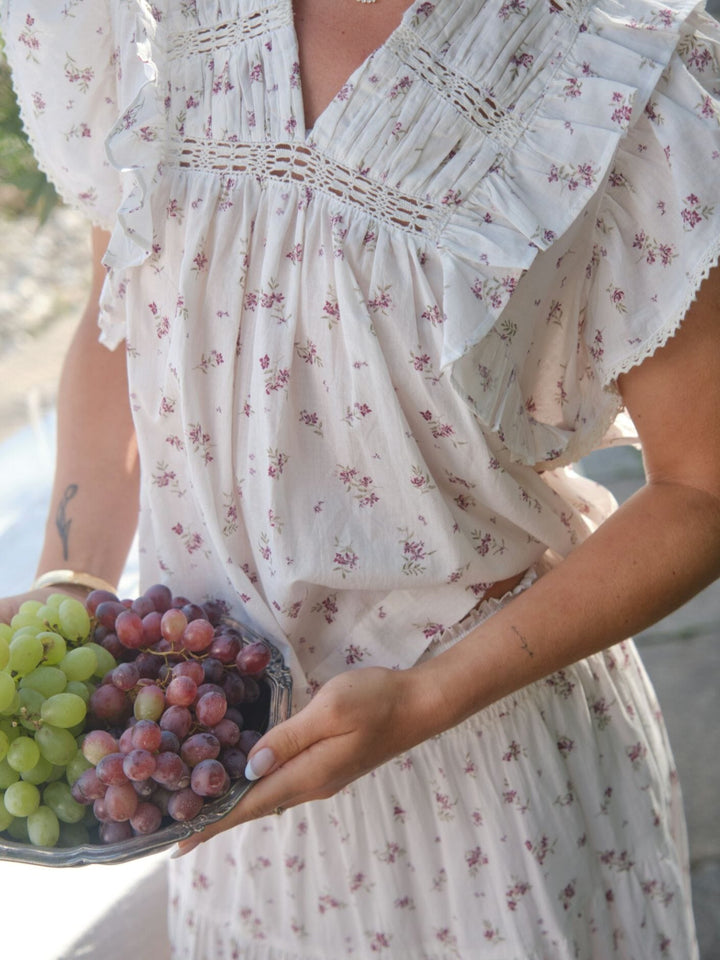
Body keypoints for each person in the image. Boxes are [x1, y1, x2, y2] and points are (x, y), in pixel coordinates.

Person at [2, 0, 719, 955]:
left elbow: (701, 487)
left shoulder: (617, 68)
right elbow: (118, 314)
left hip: (492, 799)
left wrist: (429, 697)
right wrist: (73, 576)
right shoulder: (139, 20)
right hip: (228, 793)